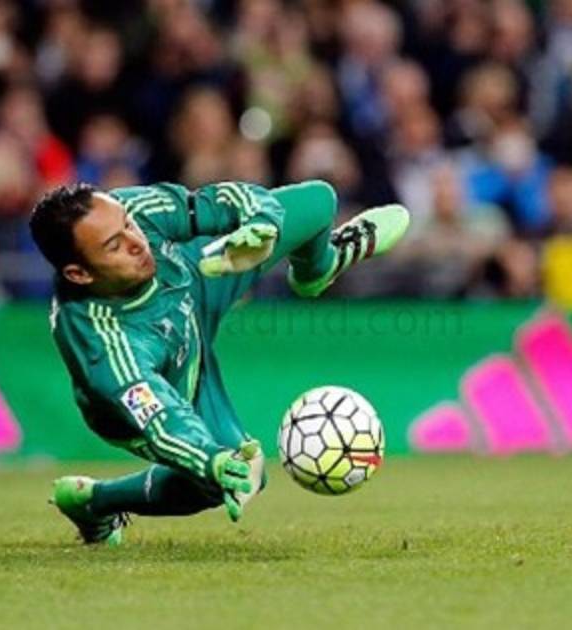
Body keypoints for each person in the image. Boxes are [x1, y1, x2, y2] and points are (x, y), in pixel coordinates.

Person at [30, 179, 409, 545]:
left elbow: (218, 200)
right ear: (79, 273)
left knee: (317, 203)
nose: (136, 242)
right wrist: (211, 459)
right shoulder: (104, 346)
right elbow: (164, 421)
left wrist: (261, 223)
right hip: (177, 385)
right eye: (114, 246)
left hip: (196, 281)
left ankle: (319, 268)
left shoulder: (133, 209)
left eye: (128, 225)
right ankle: (97, 503)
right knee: (235, 477)